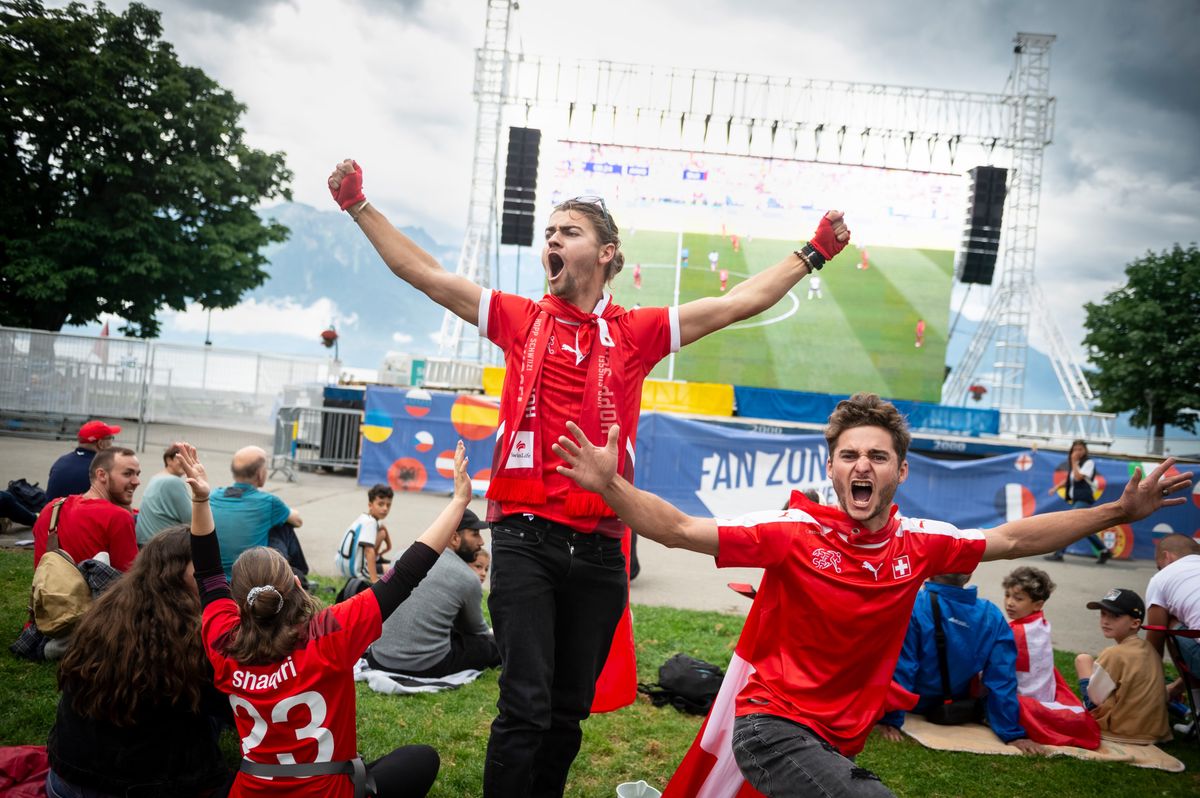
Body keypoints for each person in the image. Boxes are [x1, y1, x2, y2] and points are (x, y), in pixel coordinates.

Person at [329, 158, 849, 797]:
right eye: (549, 231)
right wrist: (359, 206)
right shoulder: (518, 318)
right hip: (523, 538)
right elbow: (424, 273)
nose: (551, 239)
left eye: (568, 231)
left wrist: (811, 253)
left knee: (567, 713)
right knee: (525, 706)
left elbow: (740, 302)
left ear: (606, 254)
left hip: (602, 549)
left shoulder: (638, 331)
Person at [552, 392, 1191, 796]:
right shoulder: (794, 532)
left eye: (878, 456)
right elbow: (683, 529)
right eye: (850, 454)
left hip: (840, 739)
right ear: (830, 466)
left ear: (900, 470)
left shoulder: (923, 543)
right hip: (772, 724)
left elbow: (1015, 539)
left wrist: (1118, 511)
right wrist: (611, 487)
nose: (863, 465)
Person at [182, 440, 471, 798]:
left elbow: (208, 573)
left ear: (238, 603)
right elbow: (405, 574)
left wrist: (200, 500)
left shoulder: (222, 641)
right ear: (295, 585)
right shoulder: (327, 633)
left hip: (250, 790)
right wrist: (458, 502)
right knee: (420, 759)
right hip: (327, 790)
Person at [46, 528, 231, 798]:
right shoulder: (188, 639)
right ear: (176, 570)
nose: (216, 575)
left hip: (64, 781)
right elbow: (237, 706)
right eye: (204, 565)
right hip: (139, 788)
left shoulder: (106, 612)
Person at [876, 573, 1037, 753]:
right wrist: (1012, 733)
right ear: (968, 576)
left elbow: (903, 668)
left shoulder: (914, 604)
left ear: (931, 571)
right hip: (953, 704)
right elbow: (1002, 678)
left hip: (914, 703)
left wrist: (889, 720)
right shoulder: (991, 614)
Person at [366, 507, 499, 677]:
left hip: (379, 658)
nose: (481, 541)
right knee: (487, 646)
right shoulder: (466, 577)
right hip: (424, 666)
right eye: (474, 534)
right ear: (454, 537)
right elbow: (476, 631)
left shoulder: (401, 555)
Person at [1003, 566, 1101, 748]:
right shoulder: (1040, 623)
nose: (1009, 603)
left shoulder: (1015, 632)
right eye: (1007, 595)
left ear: (1038, 605)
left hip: (1027, 698)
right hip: (1044, 692)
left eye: (1018, 598)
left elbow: (1001, 671)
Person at [1073, 588, 1172, 744]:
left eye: (1115, 616)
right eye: (1103, 614)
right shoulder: (1149, 648)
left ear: (1135, 623)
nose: (1105, 621)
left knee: (1083, 660)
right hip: (1155, 731)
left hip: (1122, 732)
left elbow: (1095, 697)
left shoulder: (1114, 654)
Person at [33, 447, 140, 572]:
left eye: (137, 474)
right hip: (97, 592)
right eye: (127, 474)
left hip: (47, 589)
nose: (136, 481)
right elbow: (131, 579)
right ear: (102, 475)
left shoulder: (52, 508)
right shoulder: (118, 517)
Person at [209, 445, 306, 580]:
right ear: (260, 474)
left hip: (216, 577)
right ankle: (299, 577)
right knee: (284, 527)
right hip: (248, 579)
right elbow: (298, 521)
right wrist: (289, 511)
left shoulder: (213, 496)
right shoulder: (269, 502)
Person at [1144, 533, 1200, 726]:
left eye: (1158, 565)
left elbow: (1155, 640)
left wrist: (1150, 688)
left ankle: (1197, 713)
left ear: (1167, 556)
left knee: (1170, 624)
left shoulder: (1161, 578)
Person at [1045, 440, 1113, 563]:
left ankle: (1059, 553)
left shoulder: (1088, 463)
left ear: (1085, 451)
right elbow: (1069, 480)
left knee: (1070, 523)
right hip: (1077, 499)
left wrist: (1074, 462)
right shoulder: (1075, 465)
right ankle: (1104, 551)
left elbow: (1078, 477)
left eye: (1080, 449)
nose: (1077, 452)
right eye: (1075, 449)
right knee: (1083, 528)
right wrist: (1055, 488)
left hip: (1084, 499)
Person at [46, 420, 121, 501]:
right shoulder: (101, 470)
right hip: (81, 513)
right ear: (101, 444)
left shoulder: (61, 461)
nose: (112, 443)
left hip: (53, 512)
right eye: (110, 438)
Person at [336, 483, 395, 584]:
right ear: (370, 505)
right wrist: (374, 579)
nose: (385, 508)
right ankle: (372, 569)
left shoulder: (365, 518)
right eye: (381, 504)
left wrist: (388, 546)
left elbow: (382, 527)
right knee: (395, 570)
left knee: (381, 533)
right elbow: (369, 551)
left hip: (343, 565)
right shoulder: (370, 523)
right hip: (357, 571)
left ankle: (375, 561)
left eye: (388, 505)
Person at [136, 444, 193, 545]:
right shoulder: (173, 481)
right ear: (168, 460)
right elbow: (191, 519)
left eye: (187, 459)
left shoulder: (156, 477)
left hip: (147, 542)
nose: (185, 463)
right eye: (180, 458)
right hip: (163, 546)